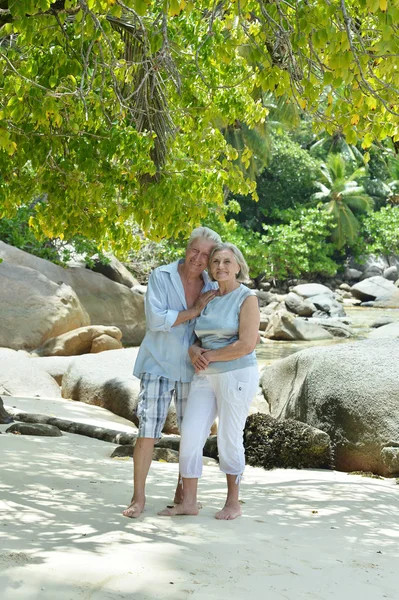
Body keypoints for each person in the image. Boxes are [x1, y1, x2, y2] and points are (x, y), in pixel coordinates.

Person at [123, 227, 221, 518]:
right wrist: (194, 310)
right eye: (195, 250)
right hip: (158, 363)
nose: (198, 258)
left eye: (205, 254)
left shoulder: (211, 285)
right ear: (186, 248)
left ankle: (182, 495)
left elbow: (211, 330)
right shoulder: (160, 276)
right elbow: (155, 321)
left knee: (191, 434)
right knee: (148, 430)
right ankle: (138, 498)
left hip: (193, 370)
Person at [159, 242, 260, 520]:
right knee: (190, 434)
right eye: (215, 262)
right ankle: (189, 502)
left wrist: (211, 355)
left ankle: (233, 503)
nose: (220, 267)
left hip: (236, 374)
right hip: (205, 375)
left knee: (229, 436)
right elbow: (195, 337)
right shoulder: (209, 297)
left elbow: (247, 344)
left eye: (227, 262)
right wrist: (193, 351)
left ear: (239, 266)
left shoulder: (246, 297)